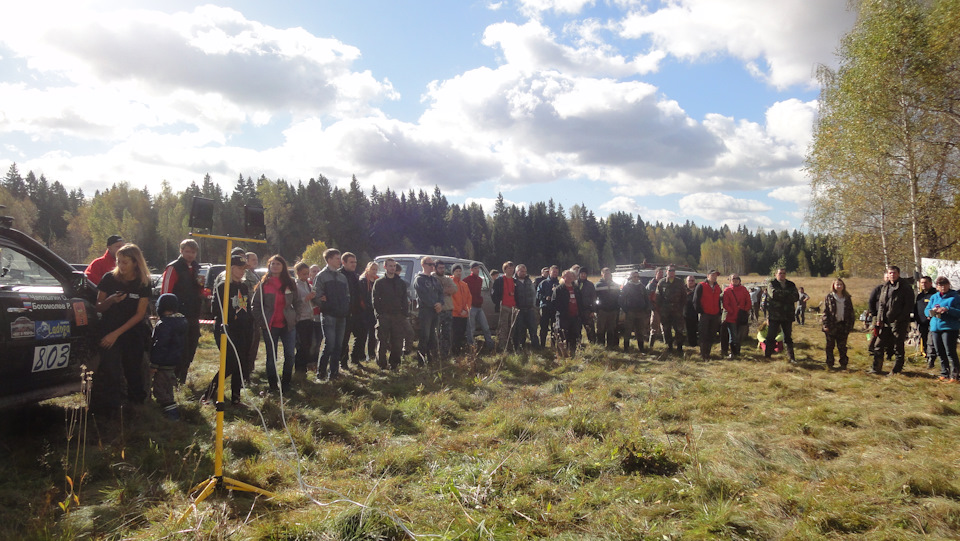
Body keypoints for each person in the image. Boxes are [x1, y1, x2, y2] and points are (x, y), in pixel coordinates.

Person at [91, 243, 152, 415]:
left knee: (133, 369)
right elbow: (98, 307)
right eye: (118, 261)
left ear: (135, 262)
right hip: (108, 330)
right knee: (110, 369)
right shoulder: (109, 278)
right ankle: (111, 409)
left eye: (125, 262)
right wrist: (110, 300)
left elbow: (140, 314)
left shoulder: (143, 282)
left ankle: (137, 407)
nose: (121, 266)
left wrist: (116, 334)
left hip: (131, 332)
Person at [203, 256, 252, 406]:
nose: (242, 272)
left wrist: (248, 323)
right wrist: (232, 316)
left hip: (241, 330)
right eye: (239, 268)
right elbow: (215, 309)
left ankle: (236, 398)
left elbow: (245, 308)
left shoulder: (243, 287)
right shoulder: (222, 286)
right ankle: (209, 394)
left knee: (240, 362)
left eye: (243, 269)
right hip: (225, 328)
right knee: (230, 362)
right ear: (231, 268)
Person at [252, 255, 301, 392]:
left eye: (278, 263)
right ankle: (273, 385)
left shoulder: (290, 283)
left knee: (290, 354)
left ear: (283, 266)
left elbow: (298, 303)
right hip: (270, 326)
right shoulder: (263, 284)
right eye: (272, 264)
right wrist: (262, 322)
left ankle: (286, 383)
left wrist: (295, 318)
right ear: (269, 266)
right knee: (271, 356)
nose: (275, 266)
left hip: (288, 325)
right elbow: (255, 305)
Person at [161, 239, 203, 384]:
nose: (190, 255)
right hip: (177, 315)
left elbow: (200, 289)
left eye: (193, 252)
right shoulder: (173, 267)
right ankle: (172, 381)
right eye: (187, 251)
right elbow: (165, 292)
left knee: (191, 348)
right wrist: (168, 313)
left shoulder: (198, 268)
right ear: (181, 251)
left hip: (193, 314)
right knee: (179, 349)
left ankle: (182, 379)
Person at [870, 265, 915, 375]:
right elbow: (881, 304)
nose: (892, 275)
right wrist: (879, 319)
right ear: (887, 275)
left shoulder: (905, 287)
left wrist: (899, 319)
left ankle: (896, 370)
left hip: (899, 322)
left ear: (898, 274)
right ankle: (876, 368)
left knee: (898, 346)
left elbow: (908, 306)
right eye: (890, 273)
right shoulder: (885, 287)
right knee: (878, 345)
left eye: (894, 273)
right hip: (884, 322)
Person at [313, 249, 350, 380]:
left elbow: (347, 295)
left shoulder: (342, 277)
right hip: (329, 315)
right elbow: (316, 295)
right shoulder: (321, 276)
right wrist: (325, 306)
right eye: (336, 258)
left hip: (341, 315)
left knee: (338, 345)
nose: (339, 261)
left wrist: (345, 308)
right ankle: (321, 374)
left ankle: (334, 373)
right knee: (330, 344)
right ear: (329, 260)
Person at [372, 258, 413, 370]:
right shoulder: (379, 283)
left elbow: (404, 299)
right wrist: (379, 314)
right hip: (384, 316)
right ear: (385, 267)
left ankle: (394, 364)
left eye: (394, 266)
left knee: (397, 342)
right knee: (382, 341)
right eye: (390, 266)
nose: (392, 268)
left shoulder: (400, 283)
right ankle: (382, 364)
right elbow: (375, 300)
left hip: (398, 316)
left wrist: (404, 313)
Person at [151, 293, 186, 420]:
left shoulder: (164, 324)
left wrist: (154, 364)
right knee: (167, 387)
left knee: (159, 390)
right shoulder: (182, 321)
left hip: (163, 363)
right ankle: (170, 410)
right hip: (174, 361)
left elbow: (160, 346)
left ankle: (172, 416)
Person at [925, 277, 960, 382]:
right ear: (937, 287)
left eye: (944, 285)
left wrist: (948, 309)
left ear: (949, 285)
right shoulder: (934, 297)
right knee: (940, 351)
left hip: (949, 327)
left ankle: (955, 375)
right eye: (940, 285)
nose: (943, 287)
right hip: (936, 327)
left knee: (950, 351)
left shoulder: (955, 297)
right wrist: (932, 311)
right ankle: (944, 373)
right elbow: (926, 311)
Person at [764, 268, 800, 363]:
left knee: (788, 337)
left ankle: (791, 357)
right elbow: (774, 294)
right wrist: (788, 295)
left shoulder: (791, 284)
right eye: (780, 273)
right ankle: (767, 356)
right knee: (771, 336)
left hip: (787, 315)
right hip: (774, 315)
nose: (782, 275)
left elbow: (796, 297)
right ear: (776, 274)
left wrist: (782, 295)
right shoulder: (772, 284)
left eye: (784, 273)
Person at [413, 256, 444, 365]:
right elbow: (423, 296)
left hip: (435, 311)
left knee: (433, 336)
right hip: (425, 311)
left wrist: (440, 303)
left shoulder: (434, 279)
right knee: (424, 336)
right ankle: (421, 361)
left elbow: (441, 292)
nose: (432, 267)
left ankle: (432, 360)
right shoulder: (419, 279)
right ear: (423, 265)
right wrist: (434, 305)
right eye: (430, 264)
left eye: (433, 265)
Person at [338, 252, 364, 370]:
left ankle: (355, 358)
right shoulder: (339, 275)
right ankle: (343, 362)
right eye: (351, 262)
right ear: (344, 263)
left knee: (361, 335)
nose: (354, 264)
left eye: (355, 262)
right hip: (344, 312)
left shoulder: (355, 276)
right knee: (344, 339)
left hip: (357, 311)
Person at [821, 278, 854, 370]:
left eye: (841, 284)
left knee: (842, 346)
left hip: (843, 325)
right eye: (837, 284)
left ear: (843, 286)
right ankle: (830, 363)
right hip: (832, 325)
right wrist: (825, 324)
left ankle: (843, 364)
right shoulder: (829, 297)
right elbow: (825, 312)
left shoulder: (847, 297)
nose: (839, 286)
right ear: (833, 286)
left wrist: (851, 325)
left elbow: (851, 312)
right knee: (830, 346)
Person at [551, 269, 585, 355]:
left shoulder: (576, 289)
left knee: (573, 336)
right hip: (563, 317)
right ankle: (561, 354)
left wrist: (580, 313)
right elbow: (554, 302)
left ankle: (572, 353)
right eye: (567, 276)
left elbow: (580, 302)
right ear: (563, 277)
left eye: (571, 276)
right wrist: (563, 312)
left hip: (575, 317)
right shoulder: (559, 289)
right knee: (562, 336)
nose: (570, 278)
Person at [655, 265, 687, 353]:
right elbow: (658, 298)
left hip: (677, 311)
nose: (671, 272)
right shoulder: (661, 283)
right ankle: (669, 347)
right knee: (666, 330)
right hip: (665, 312)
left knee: (679, 330)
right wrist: (660, 310)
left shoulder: (679, 282)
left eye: (673, 270)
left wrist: (681, 307)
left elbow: (684, 296)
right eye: (670, 270)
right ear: (666, 272)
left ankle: (679, 347)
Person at [721, 274, 752, 359]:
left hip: (741, 317)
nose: (735, 280)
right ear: (730, 280)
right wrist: (732, 311)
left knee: (740, 336)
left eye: (737, 278)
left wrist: (745, 310)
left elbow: (748, 301)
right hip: (731, 317)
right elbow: (725, 304)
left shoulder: (744, 290)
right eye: (733, 279)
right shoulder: (727, 290)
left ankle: (737, 352)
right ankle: (733, 353)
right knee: (733, 335)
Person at [693, 270, 723, 361]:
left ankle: (708, 353)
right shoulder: (701, 285)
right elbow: (695, 300)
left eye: (716, 276)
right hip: (705, 314)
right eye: (713, 275)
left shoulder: (717, 287)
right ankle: (703, 354)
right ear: (708, 276)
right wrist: (701, 311)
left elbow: (718, 300)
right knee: (703, 334)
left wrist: (718, 312)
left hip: (715, 314)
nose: (714, 277)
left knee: (712, 334)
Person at [293, 262, 317, 376]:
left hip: (309, 317)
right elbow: (293, 302)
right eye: (304, 274)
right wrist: (305, 298)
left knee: (308, 344)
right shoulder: (294, 285)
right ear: (297, 273)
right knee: (302, 345)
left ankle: (304, 368)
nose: (306, 276)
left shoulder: (307, 284)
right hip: (300, 318)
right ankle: (299, 369)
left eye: (307, 273)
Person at [464, 262, 494, 350]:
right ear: (471, 270)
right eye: (475, 268)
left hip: (479, 306)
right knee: (471, 328)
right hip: (471, 306)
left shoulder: (480, 280)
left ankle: (490, 346)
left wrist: (480, 299)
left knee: (486, 327)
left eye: (478, 268)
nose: (477, 270)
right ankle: (471, 347)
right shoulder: (466, 280)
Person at [492, 261, 520, 353]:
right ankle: (502, 346)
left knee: (512, 328)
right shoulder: (499, 280)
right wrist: (498, 303)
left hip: (513, 307)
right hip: (504, 306)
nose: (511, 270)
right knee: (503, 328)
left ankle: (509, 346)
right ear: (504, 269)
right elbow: (494, 294)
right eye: (509, 268)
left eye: (512, 269)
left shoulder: (515, 281)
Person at [619, 270, 651, 353]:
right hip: (630, 312)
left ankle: (641, 348)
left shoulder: (642, 287)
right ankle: (626, 348)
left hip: (641, 312)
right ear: (631, 277)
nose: (636, 278)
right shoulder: (627, 287)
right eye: (634, 276)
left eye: (637, 276)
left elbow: (646, 299)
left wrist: (646, 309)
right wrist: (625, 309)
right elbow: (621, 299)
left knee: (640, 331)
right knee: (628, 331)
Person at [433, 260, 457, 360]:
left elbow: (454, 289)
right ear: (435, 268)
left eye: (443, 268)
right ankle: (435, 354)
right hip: (437, 310)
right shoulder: (432, 278)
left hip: (448, 309)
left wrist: (442, 290)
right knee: (436, 334)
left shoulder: (447, 278)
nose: (442, 270)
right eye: (440, 268)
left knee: (446, 333)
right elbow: (433, 290)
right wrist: (444, 290)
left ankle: (445, 354)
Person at [244, 252, 261, 381]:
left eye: (256, 259)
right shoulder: (245, 274)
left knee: (255, 342)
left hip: (256, 312)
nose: (255, 261)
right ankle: (246, 372)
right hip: (248, 312)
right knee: (249, 343)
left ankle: (250, 369)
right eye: (252, 259)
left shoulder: (255, 274)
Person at [513, 264, 539, 350]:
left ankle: (536, 347)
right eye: (521, 271)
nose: (523, 273)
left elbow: (533, 293)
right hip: (519, 309)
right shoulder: (513, 281)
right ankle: (521, 346)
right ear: (517, 272)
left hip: (530, 309)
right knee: (520, 329)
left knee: (533, 328)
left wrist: (534, 305)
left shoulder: (529, 281)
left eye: (524, 271)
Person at [358, 262, 379, 363]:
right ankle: (361, 355)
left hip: (373, 310)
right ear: (367, 269)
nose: (374, 271)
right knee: (363, 333)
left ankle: (371, 354)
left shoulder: (377, 280)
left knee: (373, 334)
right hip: (365, 310)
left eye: (376, 269)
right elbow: (361, 297)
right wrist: (365, 307)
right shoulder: (363, 280)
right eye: (372, 269)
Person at [915, 276, 938, 369]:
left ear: (930, 283)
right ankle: (926, 355)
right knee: (924, 340)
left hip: (932, 323)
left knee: (931, 342)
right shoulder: (920, 295)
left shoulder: (935, 294)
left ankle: (931, 359)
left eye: (925, 282)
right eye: (922, 283)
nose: (923, 284)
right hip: (921, 323)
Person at [595, 268, 620, 350]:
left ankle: (610, 346)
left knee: (611, 329)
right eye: (605, 274)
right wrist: (596, 309)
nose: (607, 275)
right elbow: (594, 298)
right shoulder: (597, 285)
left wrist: (617, 308)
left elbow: (618, 298)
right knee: (600, 329)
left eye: (608, 274)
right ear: (602, 275)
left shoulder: (615, 285)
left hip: (613, 311)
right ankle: (601, 346)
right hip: (602, 311)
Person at [451, 264, 473, 354]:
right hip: (455, 314)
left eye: (460, 271)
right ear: (453, 272)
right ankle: (454, 352)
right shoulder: (450, 283)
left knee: (462, 333)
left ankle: (459, 352)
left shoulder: (464, 284)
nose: (459, 273)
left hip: (464, 314)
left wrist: (466, 309)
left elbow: (469, 297)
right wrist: (459, 310)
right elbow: (451, 299)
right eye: (456, 271)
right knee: (454, 335)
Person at [537, 265, 560, 347]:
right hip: (545, 307)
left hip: (555, 308)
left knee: (555, 327)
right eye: (553, 272)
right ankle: (542, 345)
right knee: (544, 327)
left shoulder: (559, 284)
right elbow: (538, 295)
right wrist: (545, 297)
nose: (555, 274)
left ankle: (553, 345)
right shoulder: (543, 283)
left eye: (556, 272)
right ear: (550, 272)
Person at [577, 268, 598, 344]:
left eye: (584, 274)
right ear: (579, 274)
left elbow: (594, 298)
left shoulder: (590, 285)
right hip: (577, 311)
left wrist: (593, 310)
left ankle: (593, 344)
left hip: (587, 310)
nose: (583, 275)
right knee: (577, 330)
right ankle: (578, 345)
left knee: (590, 330)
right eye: (581, 273)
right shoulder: (574, 284)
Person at [647, 267, 665, 349]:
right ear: (656, 273)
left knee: (665, 327)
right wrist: (652, 307)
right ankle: (651, 346)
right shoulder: (651, 284)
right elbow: (647, 297)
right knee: (654, 328)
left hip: (665, 308)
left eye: (662, 273)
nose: (661, 274)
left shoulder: (665, 282)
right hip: (655, 308)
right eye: (659, 273)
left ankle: (667, 345)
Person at [683, 275, 699, 348]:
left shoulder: (698, 288)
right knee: (689, 330)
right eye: (689, 280)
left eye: (692, 280)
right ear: (686, 281)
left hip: (698, 312)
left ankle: (698, 343)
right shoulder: (683, 289)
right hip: (687, 312)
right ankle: (691, 345)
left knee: (698, 329)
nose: (691, 282)